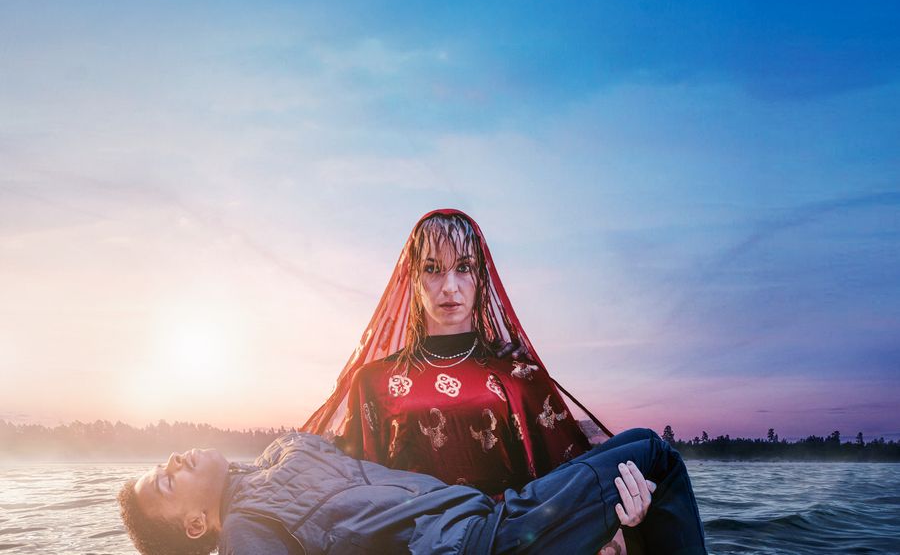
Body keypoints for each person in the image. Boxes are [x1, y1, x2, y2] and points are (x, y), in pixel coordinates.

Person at [304, 210, 631, 550]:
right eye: (432, 269)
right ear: (413, 279)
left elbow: (566, 483)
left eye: (464, 267)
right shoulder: (374, 382)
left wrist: (625, 512)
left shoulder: (518, 377)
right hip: (408, 544)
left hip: (502, 541)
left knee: (647, 452)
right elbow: (353, 494)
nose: (449, 287)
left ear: (481, 277)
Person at [118, 428, 707, 555]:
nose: (174, 460)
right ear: (196, 525)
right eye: (167, 481)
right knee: (654, 457)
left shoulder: (266, 466)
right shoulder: (245, 533)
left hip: (484, 519)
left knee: (638, 447)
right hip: (475, 546)